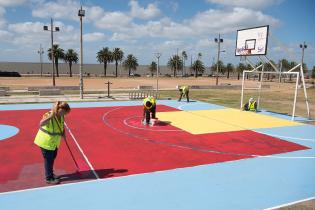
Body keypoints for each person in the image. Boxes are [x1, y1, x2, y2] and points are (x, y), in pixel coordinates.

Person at [34, 101, 71, 184]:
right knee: (48, 159)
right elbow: (41, 123)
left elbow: (61, 125)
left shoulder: (61, 116)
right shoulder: (49, 114)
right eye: (64, 112)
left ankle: (50, 173)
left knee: (52, 157)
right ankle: (49, 178)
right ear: (59, 109)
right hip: (46, 142)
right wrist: (51, 116)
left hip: (54, 142)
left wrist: (63, 133)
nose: (65, 114)